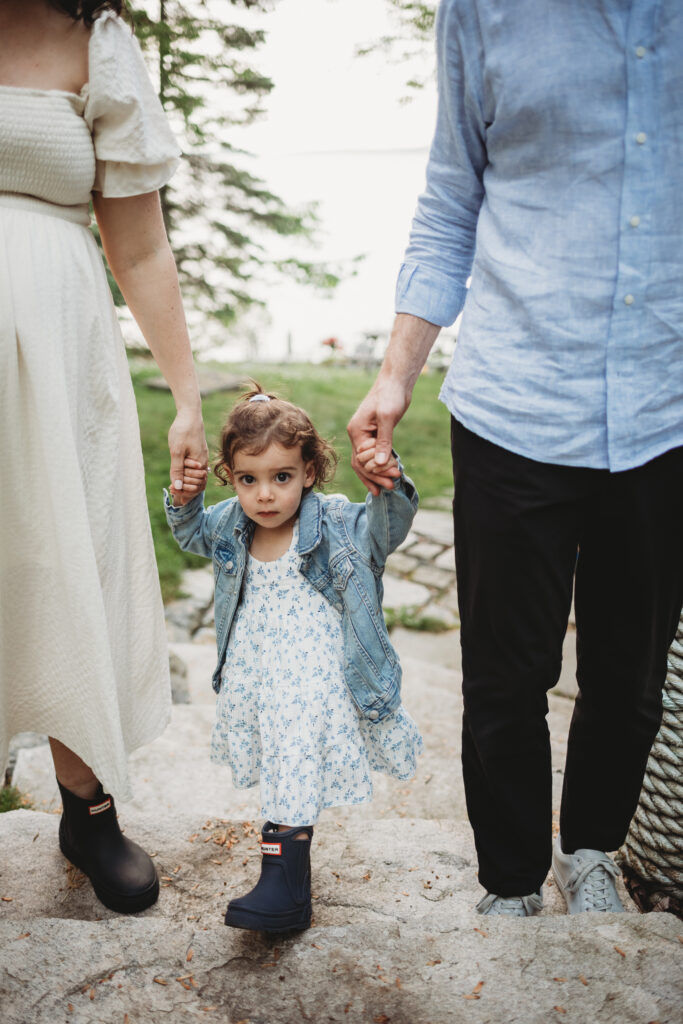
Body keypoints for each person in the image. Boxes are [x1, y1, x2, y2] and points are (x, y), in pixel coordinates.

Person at [348, 0, 683, 917]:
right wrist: (394, 374)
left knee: (630, 673)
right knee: (504, 674)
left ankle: (591, 851)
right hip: (513, 395)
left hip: (664, 407)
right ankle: (508, 882)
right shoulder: (482, 11)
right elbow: (449, 201)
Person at [0, 0, 208, 914]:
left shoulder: (97, 39)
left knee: (65, 556)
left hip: (59, 350)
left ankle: (87, 811)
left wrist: (187, 397)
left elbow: (142, 243)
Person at [164, 385, 423, 932]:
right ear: (231, 478)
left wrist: (388, 484)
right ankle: (290, 882)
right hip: (259, 671)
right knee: (284, 759)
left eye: (281, 477)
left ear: (309, 472)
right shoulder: (231, 523)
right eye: (248, 480)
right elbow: (190, 534)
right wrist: (184, 498)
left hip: (315, 675)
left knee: (294, 752)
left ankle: (281, 882)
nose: (264, 495)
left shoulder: (334, 523)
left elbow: (386, 530)